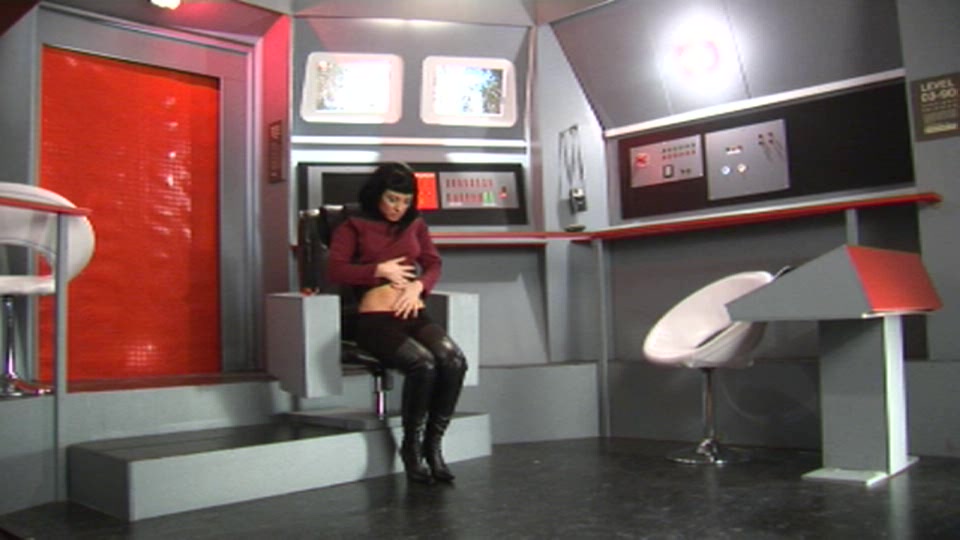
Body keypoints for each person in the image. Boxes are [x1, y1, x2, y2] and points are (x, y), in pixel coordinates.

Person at [327, 162, 467, 484]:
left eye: (405, 201)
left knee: (454, 360)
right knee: (423, 365)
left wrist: (419, 286)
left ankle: (434, 446)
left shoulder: (415, 224)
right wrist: (378, 271)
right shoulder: (353, 225)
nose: (398, 207)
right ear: (377, 194)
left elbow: (433, 263)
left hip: (412, 313)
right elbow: (335, 270)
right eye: (392, 199)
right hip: (375, 319)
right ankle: (411, 447)